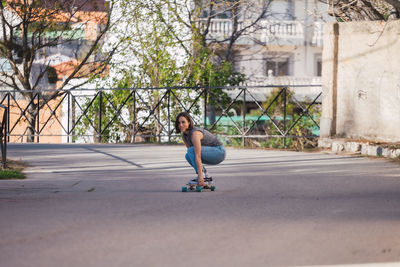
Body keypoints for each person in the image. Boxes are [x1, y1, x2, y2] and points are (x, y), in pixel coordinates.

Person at [175, 112, 226, 186]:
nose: (181, 125)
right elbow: (192, 155)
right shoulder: (184, 135)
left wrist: (200, 177)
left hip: (219, 152)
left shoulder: (195, 134)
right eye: (179, 123)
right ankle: (206, 176)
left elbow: (197, 156)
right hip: (211, 153)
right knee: (188, 155)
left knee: (191, 151)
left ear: (189, 122)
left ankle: (202, 176)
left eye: (183, 122)